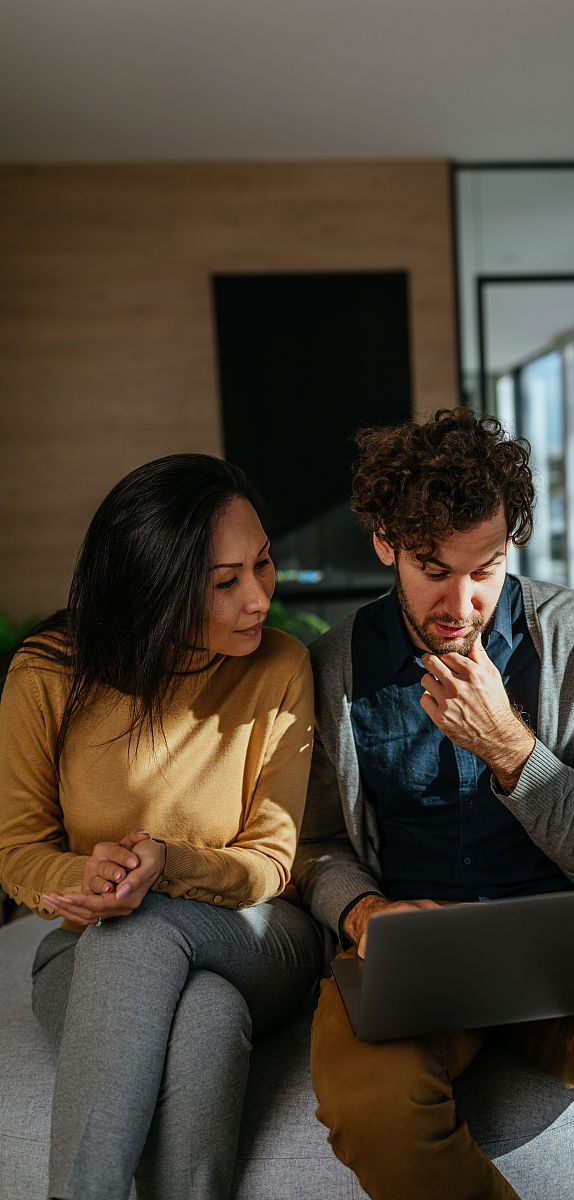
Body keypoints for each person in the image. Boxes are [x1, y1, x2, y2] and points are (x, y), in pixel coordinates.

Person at [294, 407, 574, 1200]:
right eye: (433, 568)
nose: (461, 602)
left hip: (566, 942)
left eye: (486, 569)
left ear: (510, 544)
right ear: (385, 541)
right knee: (371, 1107)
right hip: (415, 952)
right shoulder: (332, 667)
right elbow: (316, 843)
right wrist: (363, 913)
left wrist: (513, 752)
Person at [0, 453, 324, 1200]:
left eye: (263, 564)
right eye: (225, 582)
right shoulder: (47, 673)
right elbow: (19, 851)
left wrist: (165, 864)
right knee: (206, 1015)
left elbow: (271, 861)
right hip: (92, 946)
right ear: (154, 586)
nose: (259, 598)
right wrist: (85, 877)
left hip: (257, 933)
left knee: (144, 925)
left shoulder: (280, 666)